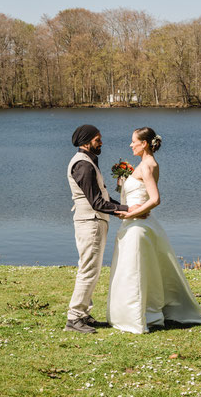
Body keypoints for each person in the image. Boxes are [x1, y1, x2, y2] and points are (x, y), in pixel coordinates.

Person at [108, 127, 201, 334]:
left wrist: (130, 215)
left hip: (138, 225)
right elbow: (140, 193)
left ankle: (138, 316)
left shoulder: (147, 166)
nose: (130, 145)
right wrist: (124, 183)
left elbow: (155, 199)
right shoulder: (145, 164)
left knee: (135, 271)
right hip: (138, 222)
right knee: (142, 269)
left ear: (144, 143)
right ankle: (143, 312)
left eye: (133, 141)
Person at [65, 124, 139, 334]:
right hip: (91, 222)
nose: (101, 143)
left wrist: (124, 208)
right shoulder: (83, 166)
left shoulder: (88, 162)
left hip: (93, 221)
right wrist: (126, 209)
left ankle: (83, 315)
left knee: (91, 269)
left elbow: (103, 199)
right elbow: (97, 203)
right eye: (98, 140)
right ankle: (74, 318)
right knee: (88, 270)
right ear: (86, 141)